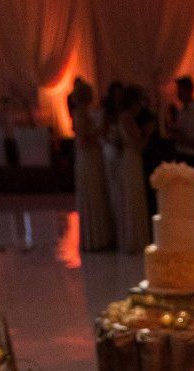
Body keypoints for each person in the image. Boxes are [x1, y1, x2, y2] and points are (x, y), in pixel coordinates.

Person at [68, 79, 114, 253]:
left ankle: (98, 236)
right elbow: (83, 141)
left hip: (91, 158)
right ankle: (96, 238)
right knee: (93, 194)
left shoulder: (84, 113)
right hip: (89, 159)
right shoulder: (80, 115)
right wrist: (100, 132)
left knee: (96, 194)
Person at [104, 86, 149, 255]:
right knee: (132, 198)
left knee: (128, 198)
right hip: (131, 160)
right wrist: (148, 133)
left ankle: (129, 239)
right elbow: (139, 144)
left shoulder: (119, 118)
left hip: (127, 159)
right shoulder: (127, 118)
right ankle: (134, 241)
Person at [167, 75, 194, 167]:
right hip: (179, 156)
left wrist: (182, 139)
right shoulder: (180, 111)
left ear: (189, 90)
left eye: (180, 90)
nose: (177, 93)